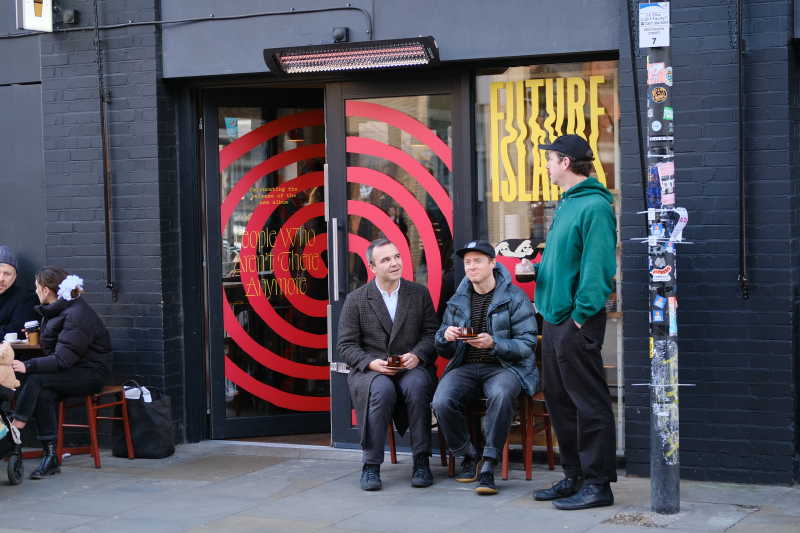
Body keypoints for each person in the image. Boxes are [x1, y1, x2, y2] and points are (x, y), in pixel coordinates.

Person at [532, 134, 617, 510]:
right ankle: (574, 476)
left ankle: (598, 485)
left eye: (550, 159)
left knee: (589, 403)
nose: (546, 165)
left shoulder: (594, 207)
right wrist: (537, 270)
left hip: (574, 321)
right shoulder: (566, 204)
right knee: (560, 401)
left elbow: (598, 270)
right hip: (554, 319)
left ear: (566, 162)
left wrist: (581, 315)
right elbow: (568, 262)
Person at [432, 240, 538, 496]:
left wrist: (494, 343)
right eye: (467, 262)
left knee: (500, 395)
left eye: (477, 260)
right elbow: (441, 346)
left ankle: (489, 463)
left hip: (505, 366)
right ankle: (468, 455)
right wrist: (445, 336)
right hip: (465, 365)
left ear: (492, 263)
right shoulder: (457, 299)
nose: (471, 266)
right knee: (441, 401)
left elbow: (527, 343)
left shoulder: (514, 296)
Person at [337, 238, 439, 491]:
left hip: (410, 366)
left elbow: (431, 334)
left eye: (396, 257)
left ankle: (421, 461)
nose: (394, 263)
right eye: (386, 260)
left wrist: (417, 355)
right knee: (381, 390)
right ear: (372, 267)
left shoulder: (418, 293)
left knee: (417, 387)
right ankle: (371, 466)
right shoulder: (356, 299)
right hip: (372, 371)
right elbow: (346, 346)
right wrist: (371, 363)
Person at [10, 267, 111, 479]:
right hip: (71, 371)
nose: (36, 291)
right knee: (43, 392)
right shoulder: (62, 309)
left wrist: (28, 366)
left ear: (46, 290)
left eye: (37, 288)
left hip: (90, 375)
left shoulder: (77, 315)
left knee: (36, 378)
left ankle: (16, 429)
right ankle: (50, 456)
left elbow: (63, 359)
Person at [0, 245, 38, 340]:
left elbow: (17, 330)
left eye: (7, 274)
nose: (1, 279)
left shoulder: (26, 298)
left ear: (15, 276)